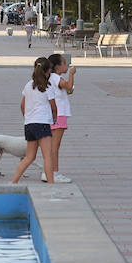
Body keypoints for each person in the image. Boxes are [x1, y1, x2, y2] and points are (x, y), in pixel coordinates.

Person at [11, 57, 58, 185]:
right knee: (47, 156)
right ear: (48, 71)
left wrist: (27, 118)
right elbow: (54, 107)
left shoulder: (28, 85)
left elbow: (22, 105)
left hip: (29, 124)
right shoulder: (47, 87)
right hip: (42, 123)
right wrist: (54, 119)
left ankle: (14, 182)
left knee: (29, 157)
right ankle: (51, 184)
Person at [46, 52, 75, 183]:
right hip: (60, 113)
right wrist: (72, 74)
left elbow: (67, 90)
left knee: (51, 145)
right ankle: (54, 173)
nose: (67, 65)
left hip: (52, 113)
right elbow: (68, 86)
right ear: (57, 67)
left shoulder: (51, 77)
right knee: (55, 146)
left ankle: (47, 171)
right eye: (64, 63)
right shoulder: (56, 78)